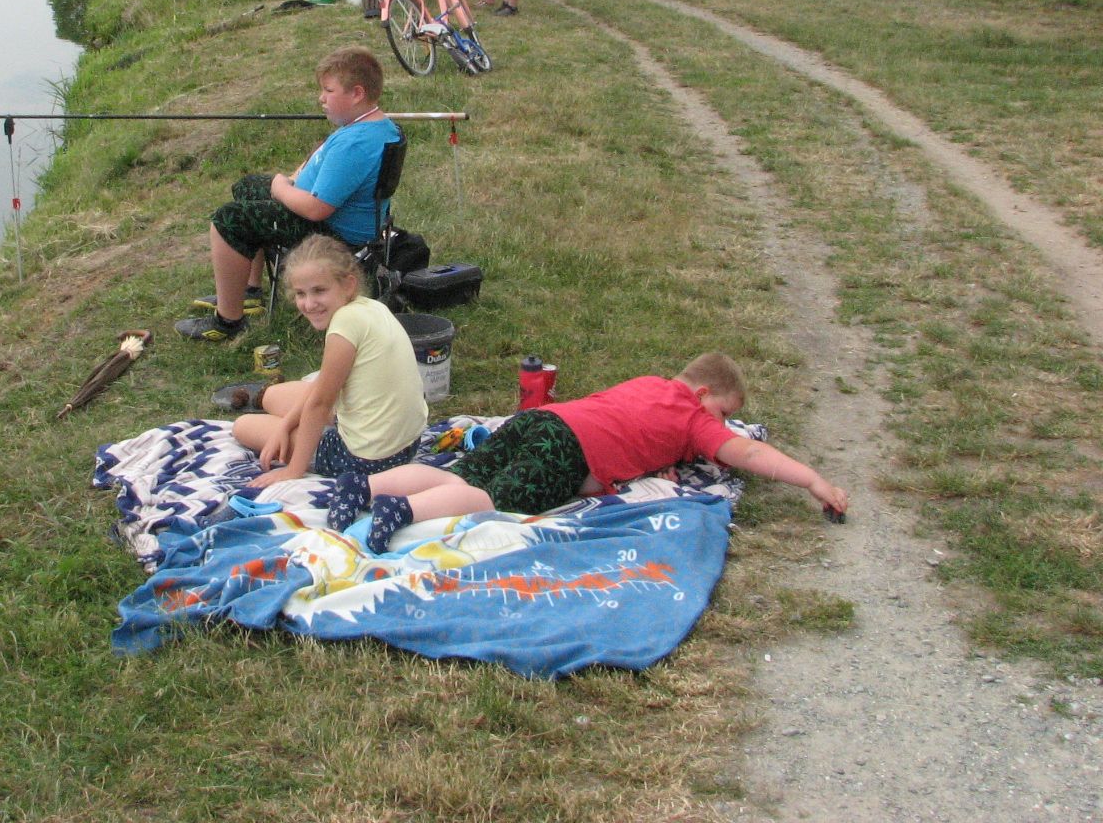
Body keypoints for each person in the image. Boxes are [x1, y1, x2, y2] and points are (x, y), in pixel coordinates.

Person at [327, 352, 850, 552]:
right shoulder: (694, 419)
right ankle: (404, 512)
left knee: (463, 468)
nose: (722, 431)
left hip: (539, 421)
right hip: (566, 450)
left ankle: (367, 487)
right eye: (723, 416)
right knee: (483, 497)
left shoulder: (648, 381)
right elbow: (752, 456)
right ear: (704, 396)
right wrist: (812, 481)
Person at [177, 46, 401, 342]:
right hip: (332, 217)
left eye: (328, 90)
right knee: (247, 186)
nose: (321, 98)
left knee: (227, 219)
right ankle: (249, 290)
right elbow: (323, 160)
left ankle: (228, 322)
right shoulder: (374, 126)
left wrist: (280, 188)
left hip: (331, 233)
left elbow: (316, 209)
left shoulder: (355, 144)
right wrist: (295, 178)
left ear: (357, 93)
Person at [235, 234, 428, 488]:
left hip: (365, 459)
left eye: (319, 291)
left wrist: (294, 469)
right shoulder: (371, 307)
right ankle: (266, 403)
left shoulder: (344, 326)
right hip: (406, 445)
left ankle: (269, 418)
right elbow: (322, 389)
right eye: (300, 294)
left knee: (242, 426)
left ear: (348, 285)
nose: (309, 303)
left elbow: (320, 405)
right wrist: (286, 426)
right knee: (274, 397)